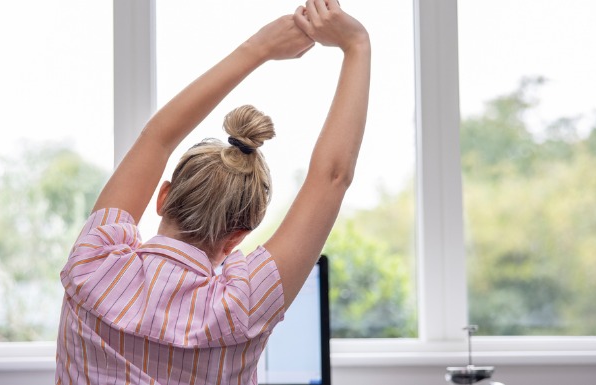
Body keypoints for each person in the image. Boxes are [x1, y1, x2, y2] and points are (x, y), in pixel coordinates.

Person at [56, 1, 370, 384]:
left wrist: (258, 48)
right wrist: (357, 45)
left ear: (163, 195)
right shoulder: (242, 306)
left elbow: (157, 139)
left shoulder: (93, 263)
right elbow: (331, 178)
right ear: (238, 236)